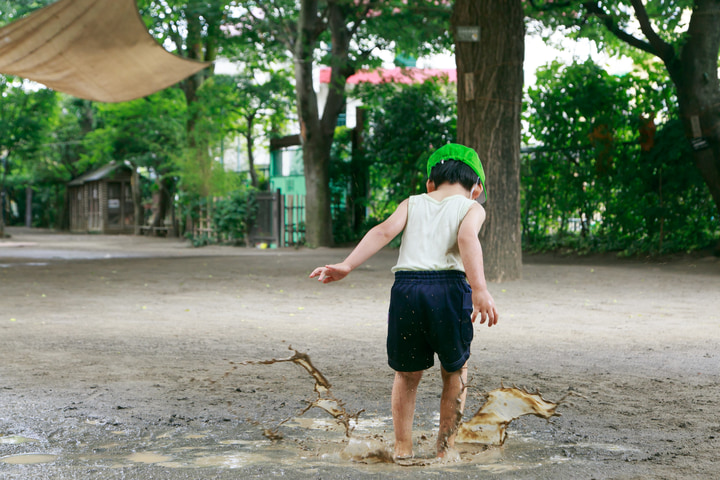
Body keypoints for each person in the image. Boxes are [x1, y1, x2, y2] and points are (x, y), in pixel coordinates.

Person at [309, 143, 498, 460]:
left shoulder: (412, 203)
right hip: (449, 291)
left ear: (430, 183)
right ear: (476, 188)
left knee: (407, 374)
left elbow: (383, 233)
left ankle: (402, 447)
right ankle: (444, 448)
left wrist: (347, 265)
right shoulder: (472, 208)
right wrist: (479, 288)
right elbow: (467, 238)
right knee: (454, 371)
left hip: (407, 290)